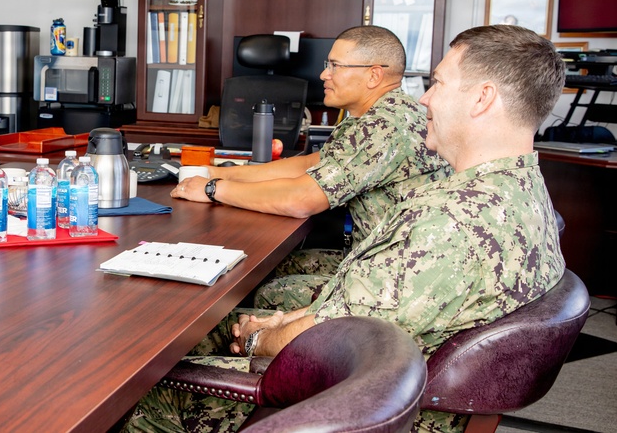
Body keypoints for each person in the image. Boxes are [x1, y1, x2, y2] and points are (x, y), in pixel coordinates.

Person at [122, 24, 567, 433]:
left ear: (482, 98)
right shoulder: (521, 187)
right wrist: (276, 323)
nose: (426, 99)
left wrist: (259, 336)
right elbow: (368, 305)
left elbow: (332, 329)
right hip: (403, 372)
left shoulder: (450, 222)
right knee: (216, 324)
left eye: (437, 83)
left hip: (373, 404)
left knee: (137, 388)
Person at [172, 25, 450, 310]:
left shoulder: (382, 127)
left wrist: (212, 189)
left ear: (374, 74)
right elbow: (309, 164)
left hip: (392, 280)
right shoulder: (384, 112)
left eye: (335, 66)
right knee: (267, 266)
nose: (323, 75)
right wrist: (218, 172)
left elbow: (300, 199)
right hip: (390, 261)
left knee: (259, 288)